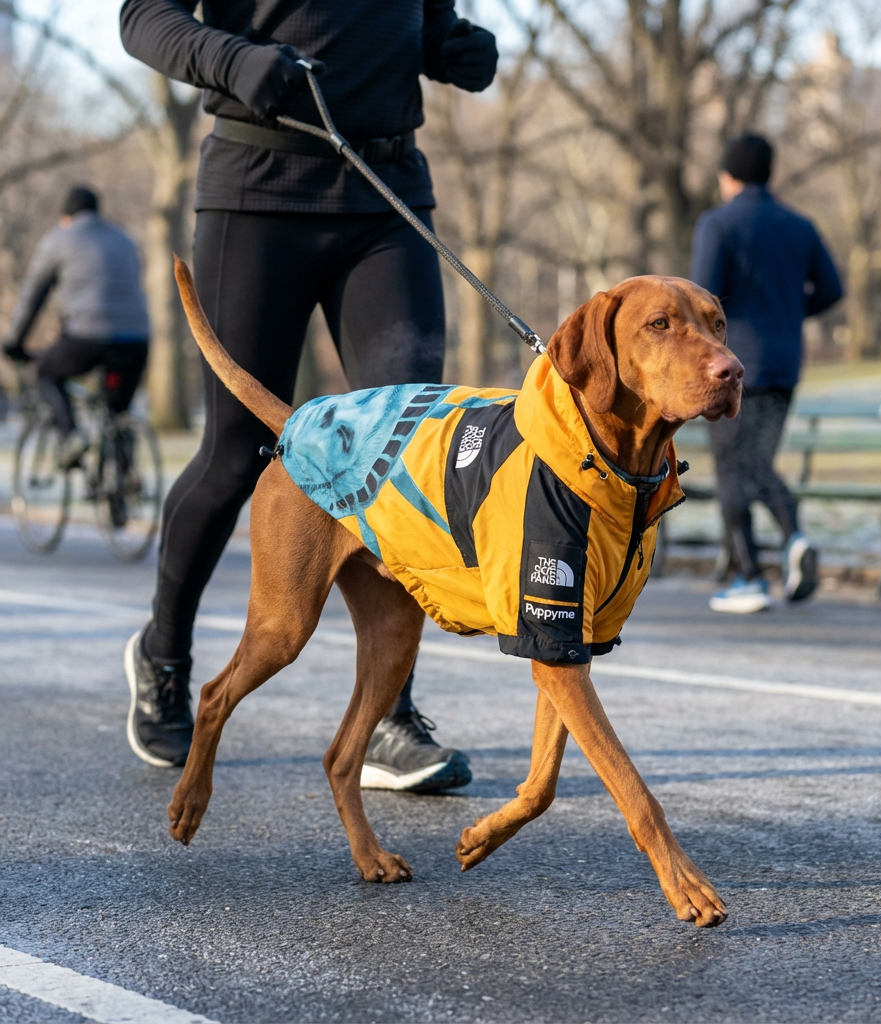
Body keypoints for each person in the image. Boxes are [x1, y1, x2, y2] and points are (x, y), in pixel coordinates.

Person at [118, 0, 497, 786]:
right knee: (237, 453)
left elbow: (420, 30)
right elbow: (141, 17)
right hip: (259, 190)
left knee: (406, 460)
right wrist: (231, 61)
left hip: (385, 192)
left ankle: (389, 713)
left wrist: (456, 49)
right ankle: (163, 657)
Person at [690, 133, 843, 614]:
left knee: (735, 466)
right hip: (785, 363)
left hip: (733, 366)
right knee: (756, 462)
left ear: (728, 175)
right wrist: (791, 310)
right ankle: (792, 539)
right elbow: (831, 289)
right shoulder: (800, 225)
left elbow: (700, 299)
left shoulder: (718, 223)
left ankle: (749, 576)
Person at [2, 186, 149, 469]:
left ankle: (71, 436)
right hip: (137, 336)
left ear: (66, 217)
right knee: (117, 411)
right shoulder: (124, 239)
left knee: (46, 372)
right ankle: (123, 484)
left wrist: (15, 342)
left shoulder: (59, 238)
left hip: (87, 336)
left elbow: (34, 295)